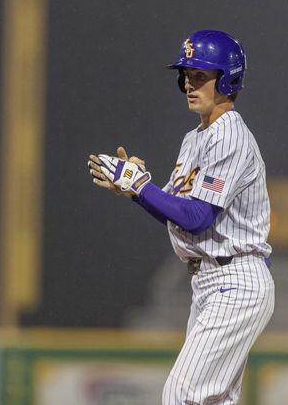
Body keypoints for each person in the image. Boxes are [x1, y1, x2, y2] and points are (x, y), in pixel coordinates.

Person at [88, 30, 274, 405]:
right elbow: (176, 214)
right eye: (186, 75)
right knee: (214, 400)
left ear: (228, 79)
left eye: (201, 76)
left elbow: (197, 217)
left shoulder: (230, 136)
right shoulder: (195, 139)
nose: (190, 84)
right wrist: (138, 190)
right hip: (208, 280)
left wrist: (141, 187)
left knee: (182, 393)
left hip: (235, 278)